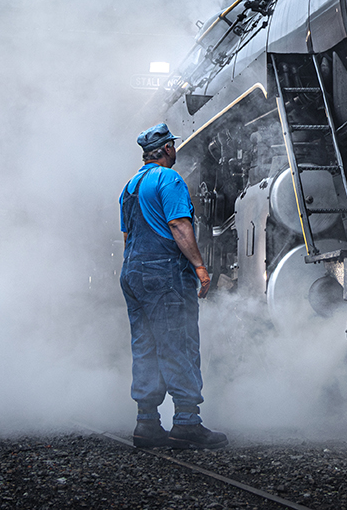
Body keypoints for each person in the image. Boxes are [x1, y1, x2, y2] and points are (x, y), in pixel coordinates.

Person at [119, 123, 228, 449]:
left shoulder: (130, 187)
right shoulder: (169, 179)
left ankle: (147, 422)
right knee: (178, 343)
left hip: (133, 273)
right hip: (165, 273)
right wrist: (200, 268)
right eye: (173, 146)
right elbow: (179, 225)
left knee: (146, 346)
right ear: (167, 149)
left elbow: (127, 236)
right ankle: (186, 422)